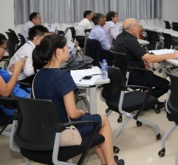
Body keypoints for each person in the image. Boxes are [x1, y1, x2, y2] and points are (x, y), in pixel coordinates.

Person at [32, 34, 123, 165]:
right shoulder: (62, 77)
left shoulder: (38, 76)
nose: (69, 50)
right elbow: (73, 114)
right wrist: (81, 112)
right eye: (66, 48)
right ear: (58, 51)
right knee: (103, 119)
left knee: (95, 121)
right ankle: (111, 163)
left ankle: (106, 162)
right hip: (64, 130)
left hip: (44, 130)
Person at [113, 18, 178, 99]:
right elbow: (149, 59)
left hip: (125, 75)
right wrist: (172, 55)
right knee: (166, 85)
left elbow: (131, 54)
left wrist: (143, 60)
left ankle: (145, 96)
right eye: (138, 26)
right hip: (136, 76)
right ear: (132, 29)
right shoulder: (130, 40)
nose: (140, 28)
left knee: (154, 80)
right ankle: (145, 102)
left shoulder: (119, 37)